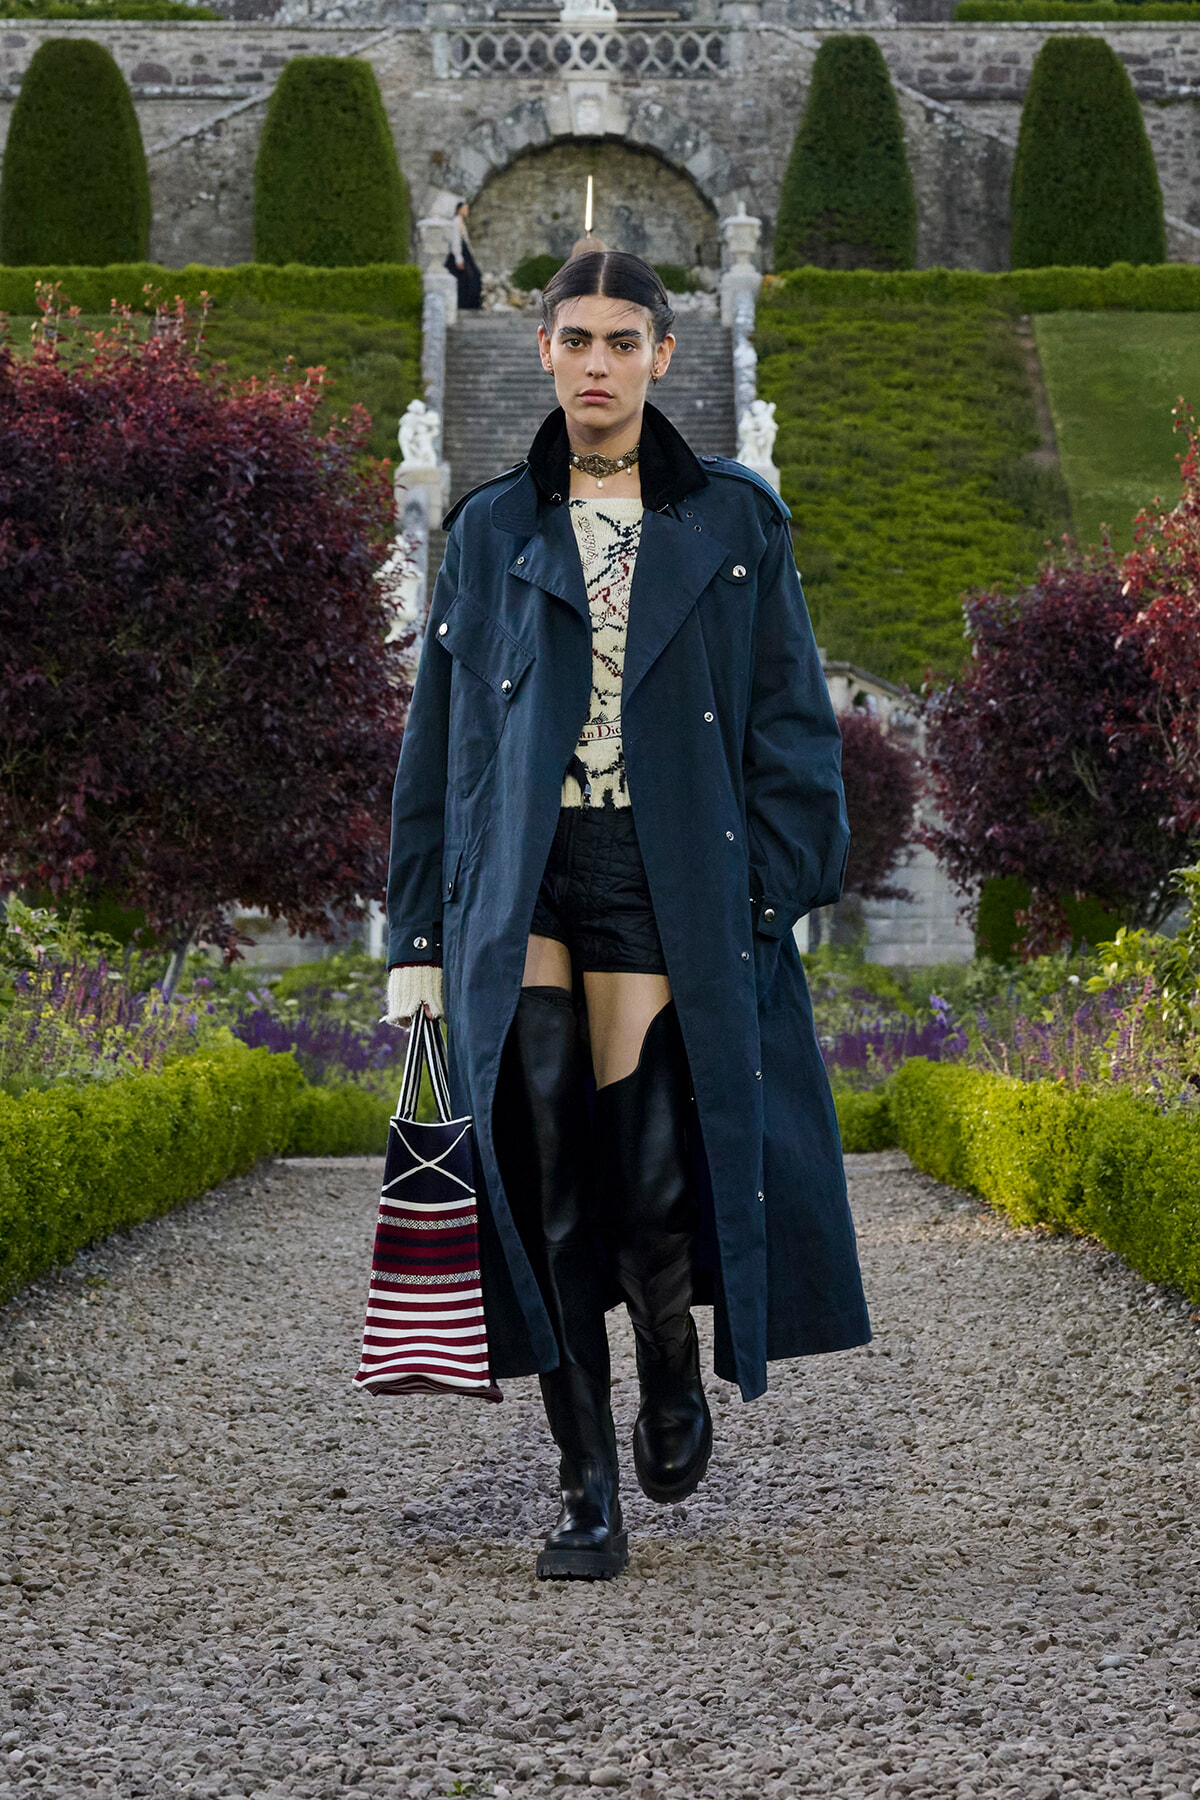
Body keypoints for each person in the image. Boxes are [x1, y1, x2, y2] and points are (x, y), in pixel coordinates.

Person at [384, 251, 871, 1581]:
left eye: (622, 340)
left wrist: (762, 897)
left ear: (666, 354)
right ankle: (581, 1480)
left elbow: (791, 731)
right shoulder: (489, 528)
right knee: (541, 1168)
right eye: (575, 338)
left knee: (652, 1180)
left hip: (662, 876)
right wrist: (416, 942)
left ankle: (671, 1368)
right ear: (541, 350)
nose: (596, 363)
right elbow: (438, 754)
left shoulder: (734, 526)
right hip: (520, 879)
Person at [445, 199, 482, 311]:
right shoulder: (456, 222)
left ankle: (468, 304)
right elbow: (456, 241)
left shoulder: (460, 222)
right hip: (460, 255)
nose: (467, 211)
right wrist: (459, 259)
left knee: (470, 278)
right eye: (465, 208)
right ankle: (465, 304)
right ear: (459, 209)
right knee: (470, 277)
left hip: (465, 254)